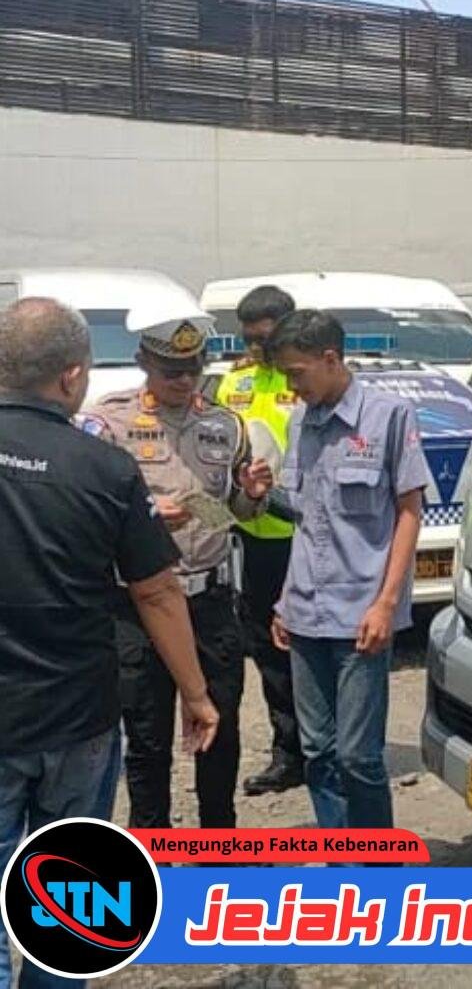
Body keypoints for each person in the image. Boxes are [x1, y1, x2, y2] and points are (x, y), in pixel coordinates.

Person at [0, 298, 218, 989]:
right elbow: (157, 593)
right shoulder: (105, 467)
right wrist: (197, 695)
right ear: (71, 376)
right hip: (78, 717)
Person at [81, 302, 273, 829]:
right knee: (147, 737)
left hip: (208, 600)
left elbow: (227, 511)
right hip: (138, 605)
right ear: (144, 362)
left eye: (193, 369)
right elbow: (88, 511)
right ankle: (152, 848)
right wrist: (143, 518)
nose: (184, 381)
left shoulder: (224, 424)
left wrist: (252, 496)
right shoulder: (108, 422)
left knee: (221, 730)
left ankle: (218, 848)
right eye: (172, 371)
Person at [267, 310, 429, 832]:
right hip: (305, 614)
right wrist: (285, 601)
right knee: (317, 750)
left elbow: (409, 513)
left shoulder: (388, 417)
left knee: (358, 755)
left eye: (297, 373)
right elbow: (305, 520)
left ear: (330, 358)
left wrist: (387, 603)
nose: (291, 387)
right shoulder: (300, 422)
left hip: (362, 615)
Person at [215, 285, 303, 796]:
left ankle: (327, 747)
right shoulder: (236, 381)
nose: (255, 347)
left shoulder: (306, 378)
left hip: (305, 534)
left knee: (314, 644)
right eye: (248, 338)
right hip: (251, 534)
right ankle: (288, 752)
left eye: (264, 338)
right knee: (267, 647)